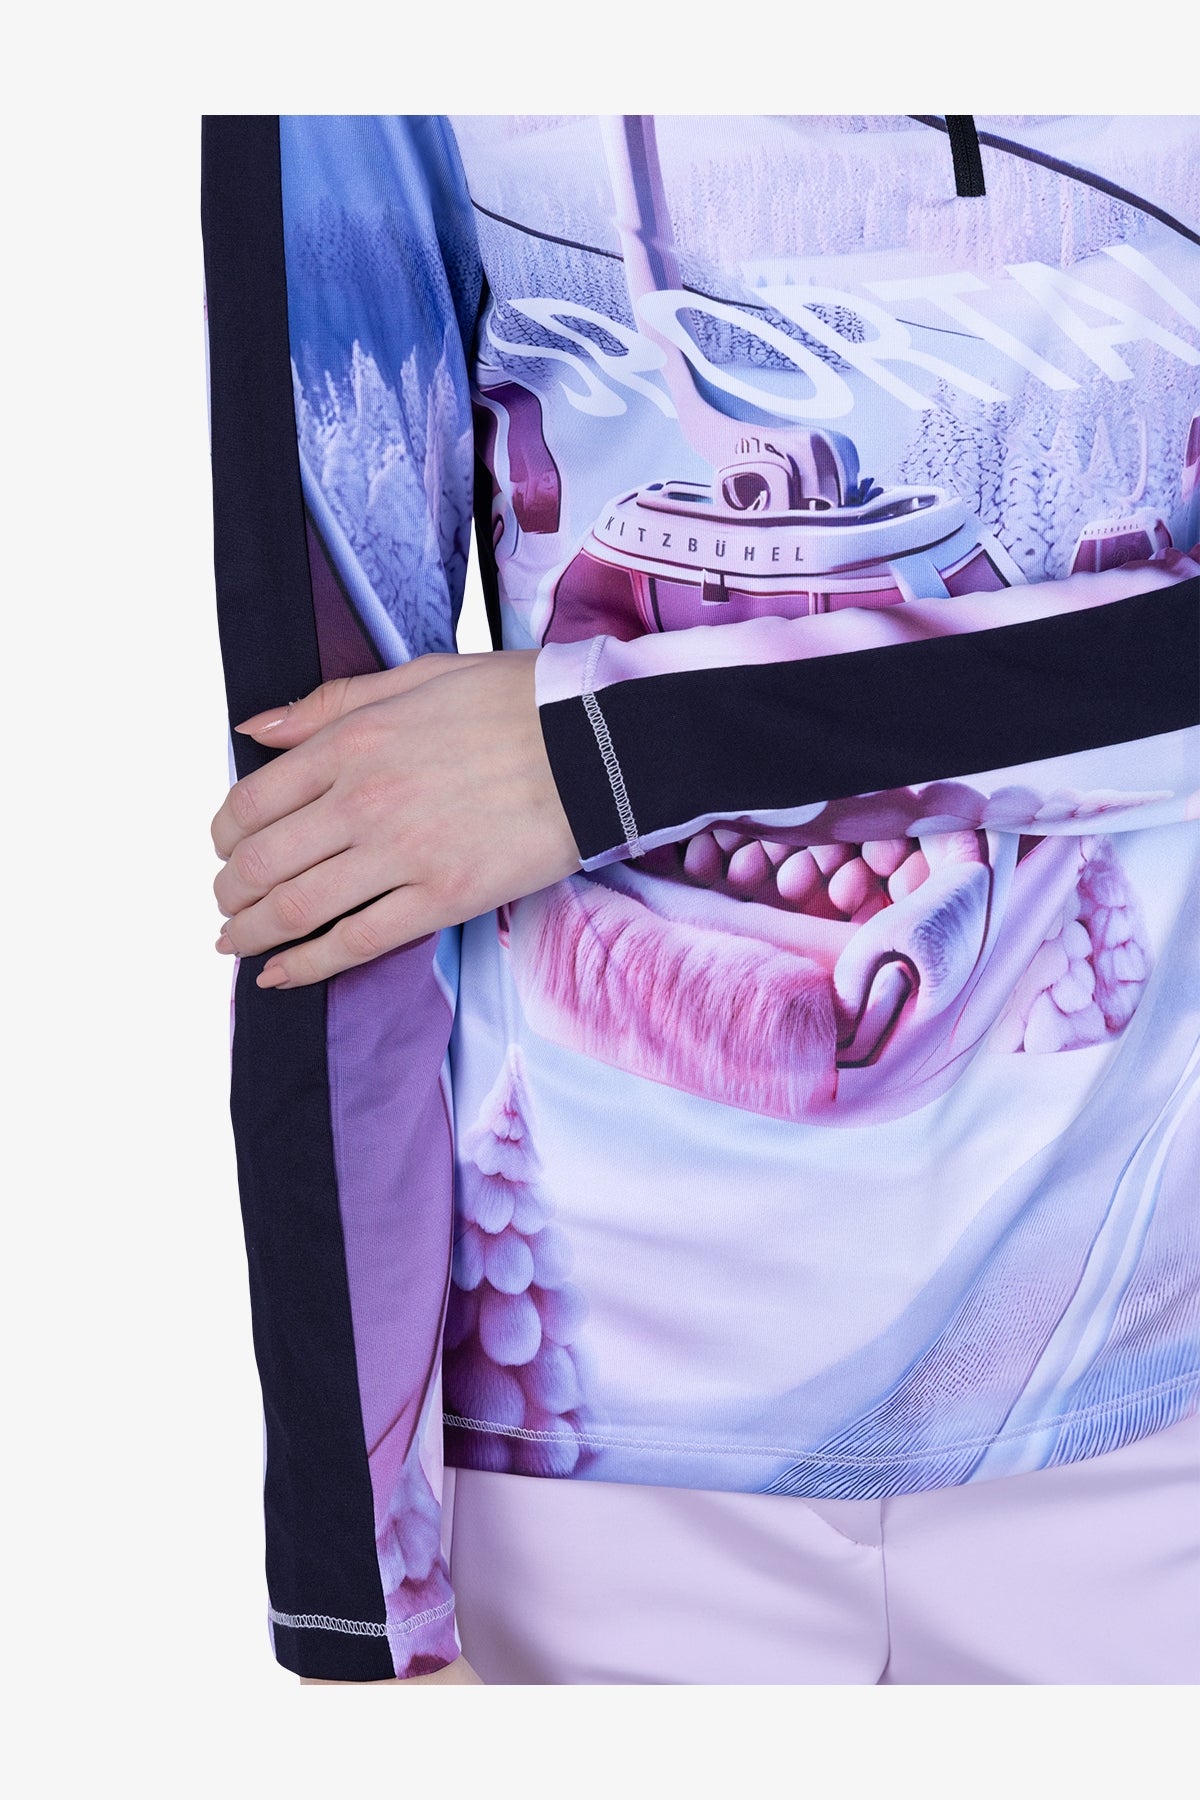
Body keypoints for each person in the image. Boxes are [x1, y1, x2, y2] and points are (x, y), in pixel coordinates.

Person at [200, 113, 1200, 1685]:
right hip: (596, 1446)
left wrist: (600, 752)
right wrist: (358, 1601)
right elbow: (337, 839)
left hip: (1152, 1387)